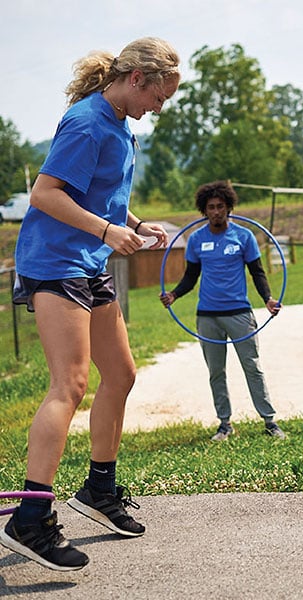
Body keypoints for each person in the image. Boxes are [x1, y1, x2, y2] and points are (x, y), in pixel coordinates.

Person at [0, 38, 180, 571]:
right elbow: (47, 195)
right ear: (138, 79)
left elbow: (98, 195)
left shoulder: (121, 126)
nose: (158, 108)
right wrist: (106, 228)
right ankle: (30, 518)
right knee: (70, 385)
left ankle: (98, 490)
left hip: (87, 261)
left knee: (121, 375)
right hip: (54, 262)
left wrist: (133, 223)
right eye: (159, 97)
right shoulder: (86, 123)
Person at [160, 180, 286, 442]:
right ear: (204, 211)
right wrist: (174, 294)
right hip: (207, 316)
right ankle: (224, 424)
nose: (216, 211)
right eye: (211, 207)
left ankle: (269, 421)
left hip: (239, 313)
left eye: (220, 206)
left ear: (229, 208)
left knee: (252, 367)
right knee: (216, 371)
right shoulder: (196, 240)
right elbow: (190, 277)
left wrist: (268, 299)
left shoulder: (244, 237)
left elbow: (257, 272)